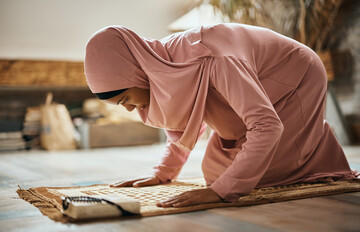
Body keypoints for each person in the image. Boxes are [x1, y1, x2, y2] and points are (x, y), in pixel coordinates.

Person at [84, 23, 358, 208]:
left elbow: (266, 125)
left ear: (136, 73)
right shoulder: (162, 64)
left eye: (125, 99)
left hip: (295, 77)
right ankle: (303, 140)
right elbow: (184, 121)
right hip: (258, 83)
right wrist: (163, 173)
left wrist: (220, 193)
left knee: (249, 178)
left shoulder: (214, 59)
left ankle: (311, 143)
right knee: (215, 173)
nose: (130, 109)